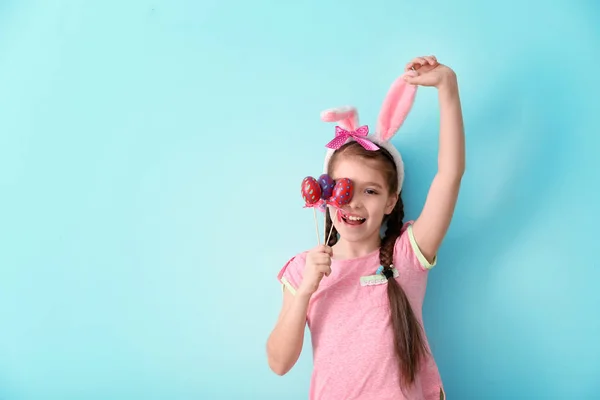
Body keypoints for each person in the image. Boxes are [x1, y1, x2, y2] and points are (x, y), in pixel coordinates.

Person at [266, 55, 465, 400]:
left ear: (390, 202)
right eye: (344, 186)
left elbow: (450, 175)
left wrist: (448, 89)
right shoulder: (302, 270)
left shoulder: (407, 256)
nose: (354, 201)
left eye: (370, 191)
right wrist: (305, 291)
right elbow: (279, 363)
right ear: (326, 193)